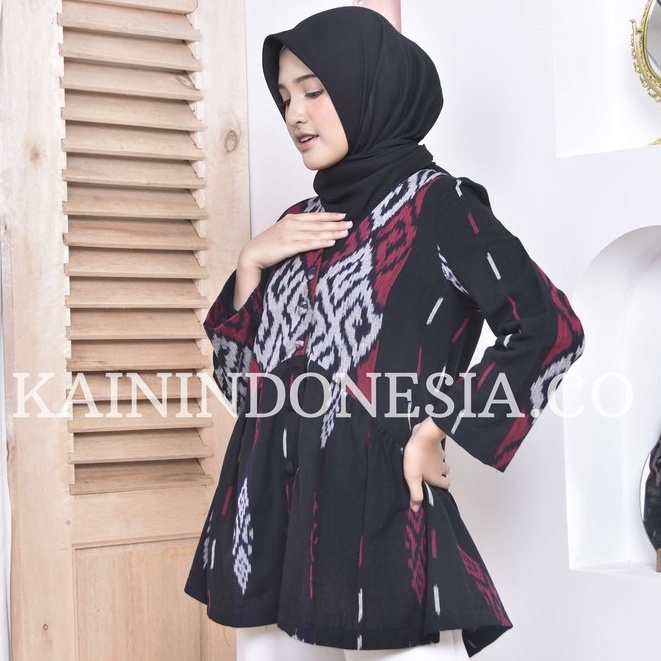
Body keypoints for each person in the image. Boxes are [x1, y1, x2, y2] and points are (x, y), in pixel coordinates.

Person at [185, 6, 585, 660]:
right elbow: (243, 389)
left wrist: (438, 424)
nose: (294, 115)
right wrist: (250, 262)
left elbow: (549, 328)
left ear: (367, 88)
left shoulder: (438, 205)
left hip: (378, 509)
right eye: (284, 98)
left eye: (314, 90)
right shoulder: (297, 222)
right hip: (267, 513)